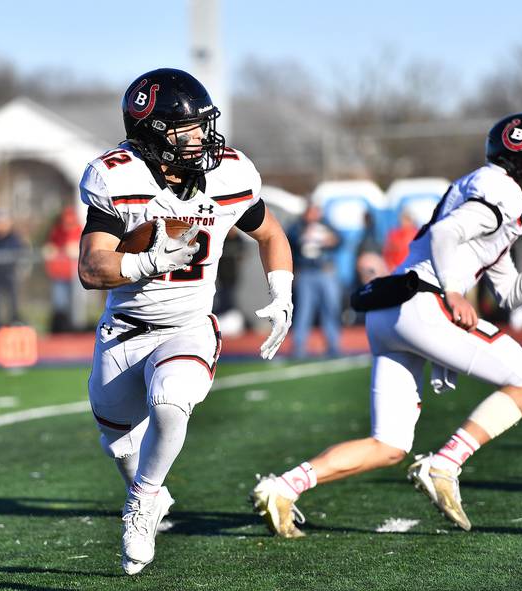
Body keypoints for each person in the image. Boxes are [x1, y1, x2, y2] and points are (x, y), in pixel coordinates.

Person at [250, 112, 522, 537]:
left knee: (388, 446)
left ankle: (283, 488)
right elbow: (445, 236)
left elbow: (509, 293)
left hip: (392, 310)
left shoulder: (494, 191)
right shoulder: (504, 192)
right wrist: (455, 290)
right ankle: (445, 463)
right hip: (424, 302)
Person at [78, 68, 294, 575]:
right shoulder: (118, 176)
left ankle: (144, 502)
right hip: (124, 332)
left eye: (203, 125)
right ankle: (144, 485)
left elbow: (271, 235)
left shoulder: (229, 174)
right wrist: (152, 260)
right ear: (153, 132)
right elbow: (92, 268)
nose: (202, 138)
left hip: (188, 325)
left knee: (171, 403)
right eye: (187, 129)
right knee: (118, 441)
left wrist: (281, 293)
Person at [287, 203, 341, 358]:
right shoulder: (297, 226)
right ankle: (298, 345)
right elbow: (291, 239)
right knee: (304, 309)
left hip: (325, 271)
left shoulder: (326, 225)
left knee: (330, 307)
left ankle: (333, 344)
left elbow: (340, 240)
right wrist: (304, 234)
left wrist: (330, 239)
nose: (314, 215)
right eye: (311, 212)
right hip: (306, 272)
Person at [43, 205, 82, 332]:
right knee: (59, 304)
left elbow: (82, 248)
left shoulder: (79, 230)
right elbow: (49, 249)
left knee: (75, 305)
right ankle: (61, 329)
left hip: (75, 274)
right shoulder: (56, 231)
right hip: (59, 273)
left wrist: (75, 250)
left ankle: (73, 327)